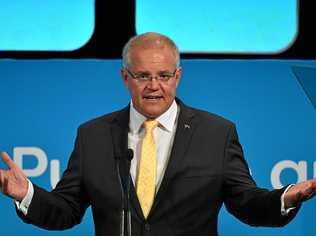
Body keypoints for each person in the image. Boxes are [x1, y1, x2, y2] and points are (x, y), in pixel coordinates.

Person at [0, 32, 316, 236]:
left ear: (178, 77)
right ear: (125, 77)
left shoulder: (217, 133)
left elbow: (247, 203)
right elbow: (66, 211)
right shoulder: (93, 135)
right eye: (143, 76)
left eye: (164, 75)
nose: (154, 85)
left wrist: (288, 196)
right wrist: (26, 193)